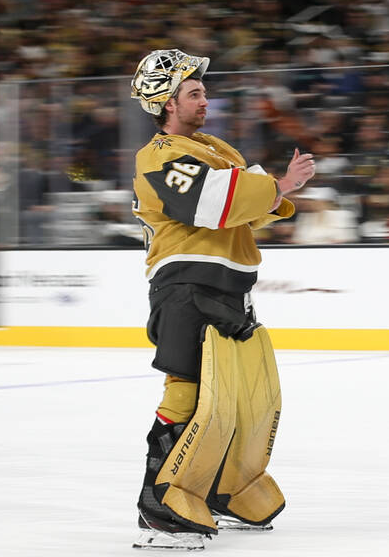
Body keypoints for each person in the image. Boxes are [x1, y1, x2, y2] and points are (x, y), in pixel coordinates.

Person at [128, 49, 315, 550]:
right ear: (166, 102)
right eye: (194, 93)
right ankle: (160, 505)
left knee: (241, 398)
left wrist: (276, 191)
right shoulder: (159, 156)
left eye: (203, 92)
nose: (204, 99)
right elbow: (214, 203)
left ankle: (222, 490)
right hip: (185, 284)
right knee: (188, 395)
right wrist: (273, 187)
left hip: (231, 287)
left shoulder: (217, 149)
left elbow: (248, 209)